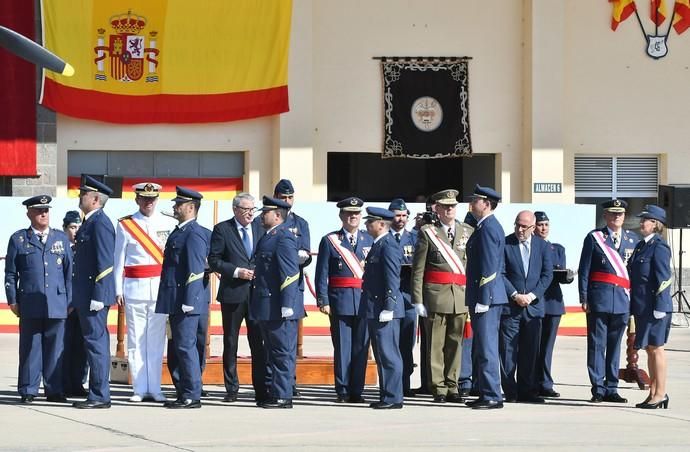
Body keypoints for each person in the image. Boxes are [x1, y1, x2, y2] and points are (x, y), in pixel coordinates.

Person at [5, 195, 72, 404]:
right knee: (31, 347)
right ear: (29, 213)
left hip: (57, 302)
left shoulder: (60, 239)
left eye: (46, 210)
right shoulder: (19, 239)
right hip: (30, 302)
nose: (43, 214)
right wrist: (13, 300)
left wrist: (70, 301)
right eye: (38, 210)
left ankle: (54, 390)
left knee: (55, 349)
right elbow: (10, 274)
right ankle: (28, 389)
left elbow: (70, 273)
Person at [411, 189, 472, 404]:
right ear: (437, 209)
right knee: (435, 346)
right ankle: (438, 387)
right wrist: (417, 300)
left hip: (460, 297)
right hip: (435, 296)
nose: (449, 210)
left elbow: (470, 267)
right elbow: (418, 270)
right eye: (445, 207)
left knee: (455, 344)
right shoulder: (428, 232)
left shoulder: (467, 231)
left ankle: (453, 385)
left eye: (452, 206)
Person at [208, 192, 269, 404]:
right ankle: (231, 388)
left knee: (258, 343)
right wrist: (236, 271)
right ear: (235, 210)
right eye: (246, 210)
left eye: (253, 209)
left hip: (257, 295)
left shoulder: (261, 228)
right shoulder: (223, 229)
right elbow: (214, 260)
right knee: (231, 341)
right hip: (233, 293)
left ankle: (261, 389)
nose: (250, 214)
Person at [113, 182, 170, 403]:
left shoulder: (167, 222)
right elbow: (118, 260)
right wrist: (118, 289)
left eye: (152, 199)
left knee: (156, 341)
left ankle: (155, 388)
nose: (149, 202)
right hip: (134, 289)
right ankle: (139, 388)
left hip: (158, 289)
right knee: (136, 341)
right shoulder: (126, 225)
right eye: (145, 199)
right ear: (137, 200)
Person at [578, 199, 639, 403]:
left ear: (624, 216)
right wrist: (584, 297)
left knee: (615, 346)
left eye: (620, 214)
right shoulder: (595, 238)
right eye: (612, 214)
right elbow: (584, 270)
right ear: (605, 216)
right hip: (599, 299)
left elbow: (635, 274)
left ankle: (612, 387)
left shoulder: (633, 239)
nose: (616, 217)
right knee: (597, 345)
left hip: (622, 300)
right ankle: (598, 388)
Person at [156, 186, 210, 409]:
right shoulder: (180, 231)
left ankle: (191, 394)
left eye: (178, 204)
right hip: (175, 299)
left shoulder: (194, 233)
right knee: (178, 347)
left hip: (185, 301)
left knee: (186, 348)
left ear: (190, 207)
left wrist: (189, 300)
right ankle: (183, 391)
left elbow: (196, 270)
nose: (174, 208)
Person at [314, 197, 372, 403]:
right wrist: (323, 300)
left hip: (364, 302)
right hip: (340, 301)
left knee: (361, 348)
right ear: (341, 216)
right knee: (342, 348)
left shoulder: (369, 239)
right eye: (348, 213)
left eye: (356, 213)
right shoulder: (330, 240)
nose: (353, 216)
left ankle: (357, 390)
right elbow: (321, 274)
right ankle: (343, 389)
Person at [250, 196, 303, 409]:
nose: (262, 215)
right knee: (273, 351)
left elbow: (290, 273)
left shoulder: (283, 238)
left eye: (266, 212)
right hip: (267, 304)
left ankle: (283, 395)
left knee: (282, 352)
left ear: (278, 215)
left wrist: (287, 303)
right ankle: (276, 392)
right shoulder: (268, 236)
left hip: (279, 306)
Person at [71, 176, 116, 409]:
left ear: (96, 199)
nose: (80, 196)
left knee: (96, 344)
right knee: (92, 343)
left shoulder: (100, 223)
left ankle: (99, 395)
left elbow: (106, 262)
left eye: (84, 194)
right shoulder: (90, 222)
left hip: (93, 296)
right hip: (86, 294)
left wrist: (99, 295)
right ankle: (97, 391)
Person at [500, 210, 553, 403]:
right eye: (517, 225)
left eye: (524, 226)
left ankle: (528, 391)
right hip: (510, 307)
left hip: (533, 306)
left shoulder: (542, 246)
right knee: (508, 352)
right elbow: (501, 273)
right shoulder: (506, 243)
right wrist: (515, 294)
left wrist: (531, 296)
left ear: (533, 227)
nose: (520, 230)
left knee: (530, 352)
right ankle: (510, 391)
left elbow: (547, 275)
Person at [464, 184, 507, 410]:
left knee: (487, 347)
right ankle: (485, 391)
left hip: (487, 297)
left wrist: (484, 297)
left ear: (487, 204)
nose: (471, 204)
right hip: (484, 296)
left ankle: (492, 395)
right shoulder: (483, 226)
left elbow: (490, 267)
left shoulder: (489, 227)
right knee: (482, 346)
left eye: (475, 201)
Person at [629, 205, 673, 409]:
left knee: (657, 349)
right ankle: (653, 392)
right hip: (642, 307)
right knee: (649, 349)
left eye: (645, 219)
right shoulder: (641, 246)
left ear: (655, 224)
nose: (641, 223)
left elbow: (664, 278)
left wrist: (661, 305)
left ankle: (661, 393)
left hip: (655, 306)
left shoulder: (659, 246)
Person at [362, 206, 404, 409]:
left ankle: (393, 397)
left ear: (380, 224)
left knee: (388, 354)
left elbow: (392, 278)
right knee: (381, 353)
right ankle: (387, 394)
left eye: (369, 222)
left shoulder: (388, 245)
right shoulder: (379, 244)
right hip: (376, 307)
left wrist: (389, 306)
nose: (366, 225)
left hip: (384, 308)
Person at [273, 179, 311, 397]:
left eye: (290, 197)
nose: (286, 201)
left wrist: (293, 259)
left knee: (289, 340)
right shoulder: (266, 221)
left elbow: (305, 254)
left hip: (292, 287)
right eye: (283, 197)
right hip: (269, 288)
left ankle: (289, 383)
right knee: (270, 339)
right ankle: (273, 382)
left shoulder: (300, 223)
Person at [533, 211, 575, 398]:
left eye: (546, 225)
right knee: (532, 346)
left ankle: (545, 383)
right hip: (534, 302)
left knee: (547, 347)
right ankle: (531, 382)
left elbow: (559, 273)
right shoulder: (529, 247)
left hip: (552, 303)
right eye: (540, 225)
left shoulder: (557, 249)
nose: (543, 228)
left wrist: (568, 276)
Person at [388, 198, 417, 397]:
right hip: (389, 297)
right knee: (389, 343)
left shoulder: (414, 238)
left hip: (408, 297)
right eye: (397, 215)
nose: (400, 219)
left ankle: (405, 384)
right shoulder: (381, 237)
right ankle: (390, 385)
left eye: (404, 216)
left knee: (407, 343)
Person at [61, 210, 88, 397]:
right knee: (64, 346)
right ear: (65, 229)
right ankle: (63, 383)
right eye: (72, 227)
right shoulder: (59, 248)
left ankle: (78, 383)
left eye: (79, 227)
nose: (75, 231)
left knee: (81, 347)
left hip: (82, 305)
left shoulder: (86, 249)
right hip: (64, 306)